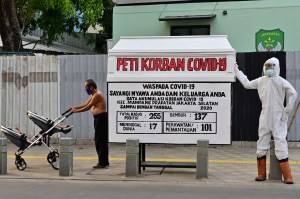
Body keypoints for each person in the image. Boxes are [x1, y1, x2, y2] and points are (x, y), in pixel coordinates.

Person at [234, 57, 297, 184]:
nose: (269, 69)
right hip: (267, 116)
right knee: (262, 143)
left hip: (277, 117)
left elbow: (293, 94)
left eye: (272, 66)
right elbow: (246, 84)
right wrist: (236, 70)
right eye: (267, 66)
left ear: (277, 67)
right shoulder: (262, 80)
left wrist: (286, 111)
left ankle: (287, 176)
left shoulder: (280, 81)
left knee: (280, 144)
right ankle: (262, 174)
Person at [70, 79, 109, 169]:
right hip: (98, 119)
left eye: (86, 88)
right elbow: (86, 103)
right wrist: (74, 107)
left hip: (101, 118)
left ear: (91, 87)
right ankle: (104, 161)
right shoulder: (94, 94)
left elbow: (88, 107)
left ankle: (103, 163)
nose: (85, 89)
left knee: (100, 140)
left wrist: (75, 111)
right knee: (99, 140)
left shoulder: (97, 95)